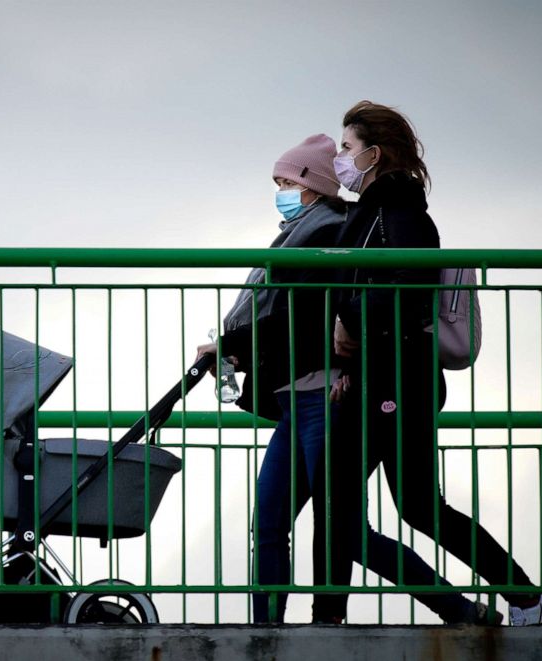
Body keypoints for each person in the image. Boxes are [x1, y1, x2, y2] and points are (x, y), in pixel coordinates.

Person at [198, 134, 499, 626]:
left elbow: (306, 317)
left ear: (313, 186)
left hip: (325, 396)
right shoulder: (298, 237)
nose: (280, 191)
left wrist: (234, 346)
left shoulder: (327, 234)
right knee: (270, 521)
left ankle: (456, 610)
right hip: (296, 396)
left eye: (287, 182)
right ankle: (266, 628)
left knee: (346, 530)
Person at [321, 100, 542, 626]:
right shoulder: (371, 212)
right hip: (376, 375)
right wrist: (346, 362)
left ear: (373, 153)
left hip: (401, 378)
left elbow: (407, 289)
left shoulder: (402, 210)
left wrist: (350, 324)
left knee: (413, 507)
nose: (340, 158)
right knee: (345, 507)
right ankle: (329, 620)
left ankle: (525, 598)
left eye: (347, 147)